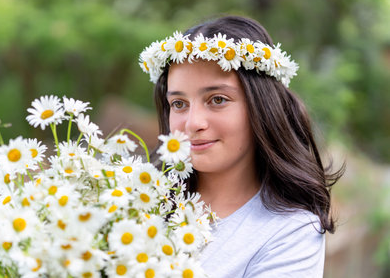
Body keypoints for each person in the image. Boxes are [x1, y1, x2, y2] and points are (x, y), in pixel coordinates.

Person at [139, 15, 344, 277]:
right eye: (179, 103)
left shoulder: (290, 232)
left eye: (217, 99)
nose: (192, 123)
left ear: (261, 106)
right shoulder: (137, 197)